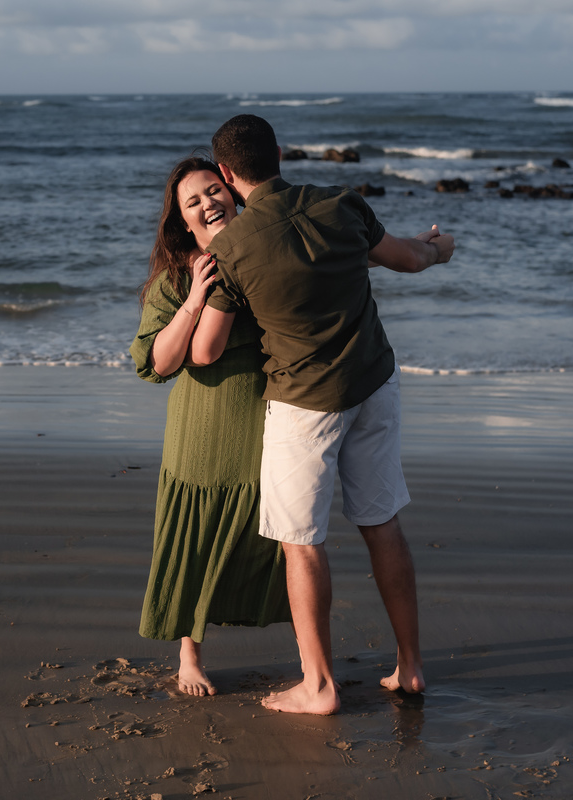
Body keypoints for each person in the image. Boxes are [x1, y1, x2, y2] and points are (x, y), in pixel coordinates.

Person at [203, 115, 456, 715]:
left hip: (304, 403)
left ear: (225, 174)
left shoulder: (231, 248)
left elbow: (209, 348)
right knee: (382, 522)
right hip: (374, 380)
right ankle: (411, 667)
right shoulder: (342, 204)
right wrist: (441, 248)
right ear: (281, 154)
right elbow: (412, 259)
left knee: (302, 543)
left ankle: (318, 685)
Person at [130, 156, 290, 697]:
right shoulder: (174, 277)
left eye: (214, 190)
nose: (207, 203)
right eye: (193, 201)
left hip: (264, 414)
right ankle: (188, 657)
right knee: (193, 540)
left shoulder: (263, 250)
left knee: (275, 532)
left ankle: (311, 655)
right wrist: (196, 296)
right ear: (182, 219)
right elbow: (159, 363)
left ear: (234, 192)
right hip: (201, 426)